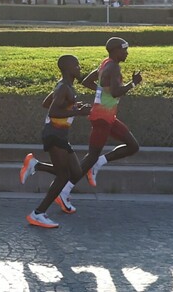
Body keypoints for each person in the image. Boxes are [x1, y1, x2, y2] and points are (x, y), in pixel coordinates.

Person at [57, 37, 142, 204]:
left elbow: (87, 81)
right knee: (90, 157)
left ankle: (98, 164)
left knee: (133, 146)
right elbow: (117, 92)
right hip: (102, 118)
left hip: (108, 117)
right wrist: (134, 83)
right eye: (124, 49)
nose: (127, 53)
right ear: (116, 51)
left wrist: (101, 92)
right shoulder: (114, 68)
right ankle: (63, 191)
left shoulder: (105, 63)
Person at [20, 55, 92, 228]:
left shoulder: (65, 86)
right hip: (54, 134)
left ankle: (36, 165)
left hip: (61, 134)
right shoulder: (63, 88)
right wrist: (78, 113)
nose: (79, 68)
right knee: (63, 175)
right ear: (68, 69)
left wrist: (73, 107)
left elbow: (47, 103)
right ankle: (37, 214)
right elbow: (52, 111)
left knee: (75, 171)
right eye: (77, 65)